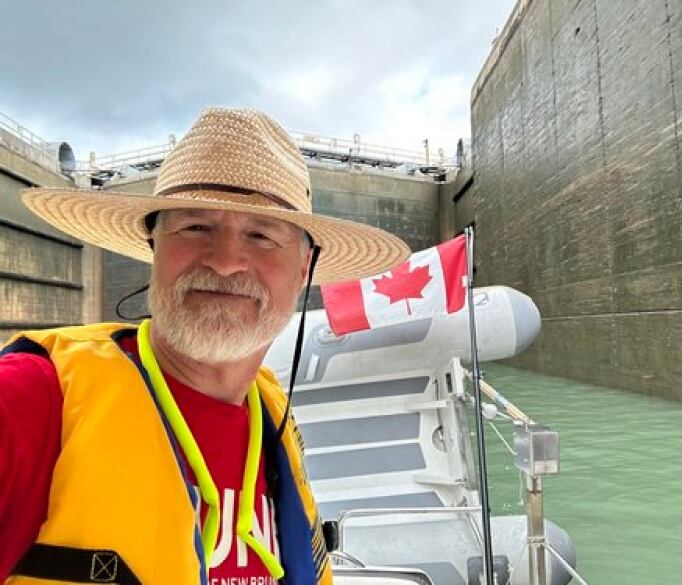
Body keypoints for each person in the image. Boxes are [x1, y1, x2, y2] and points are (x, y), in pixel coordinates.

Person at [0, 107, 410, 585]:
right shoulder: (32, 399)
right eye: (195, 227)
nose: (226, 262)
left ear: (304, 270)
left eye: (261, 235)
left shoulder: (268, 410)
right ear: (155, 244)